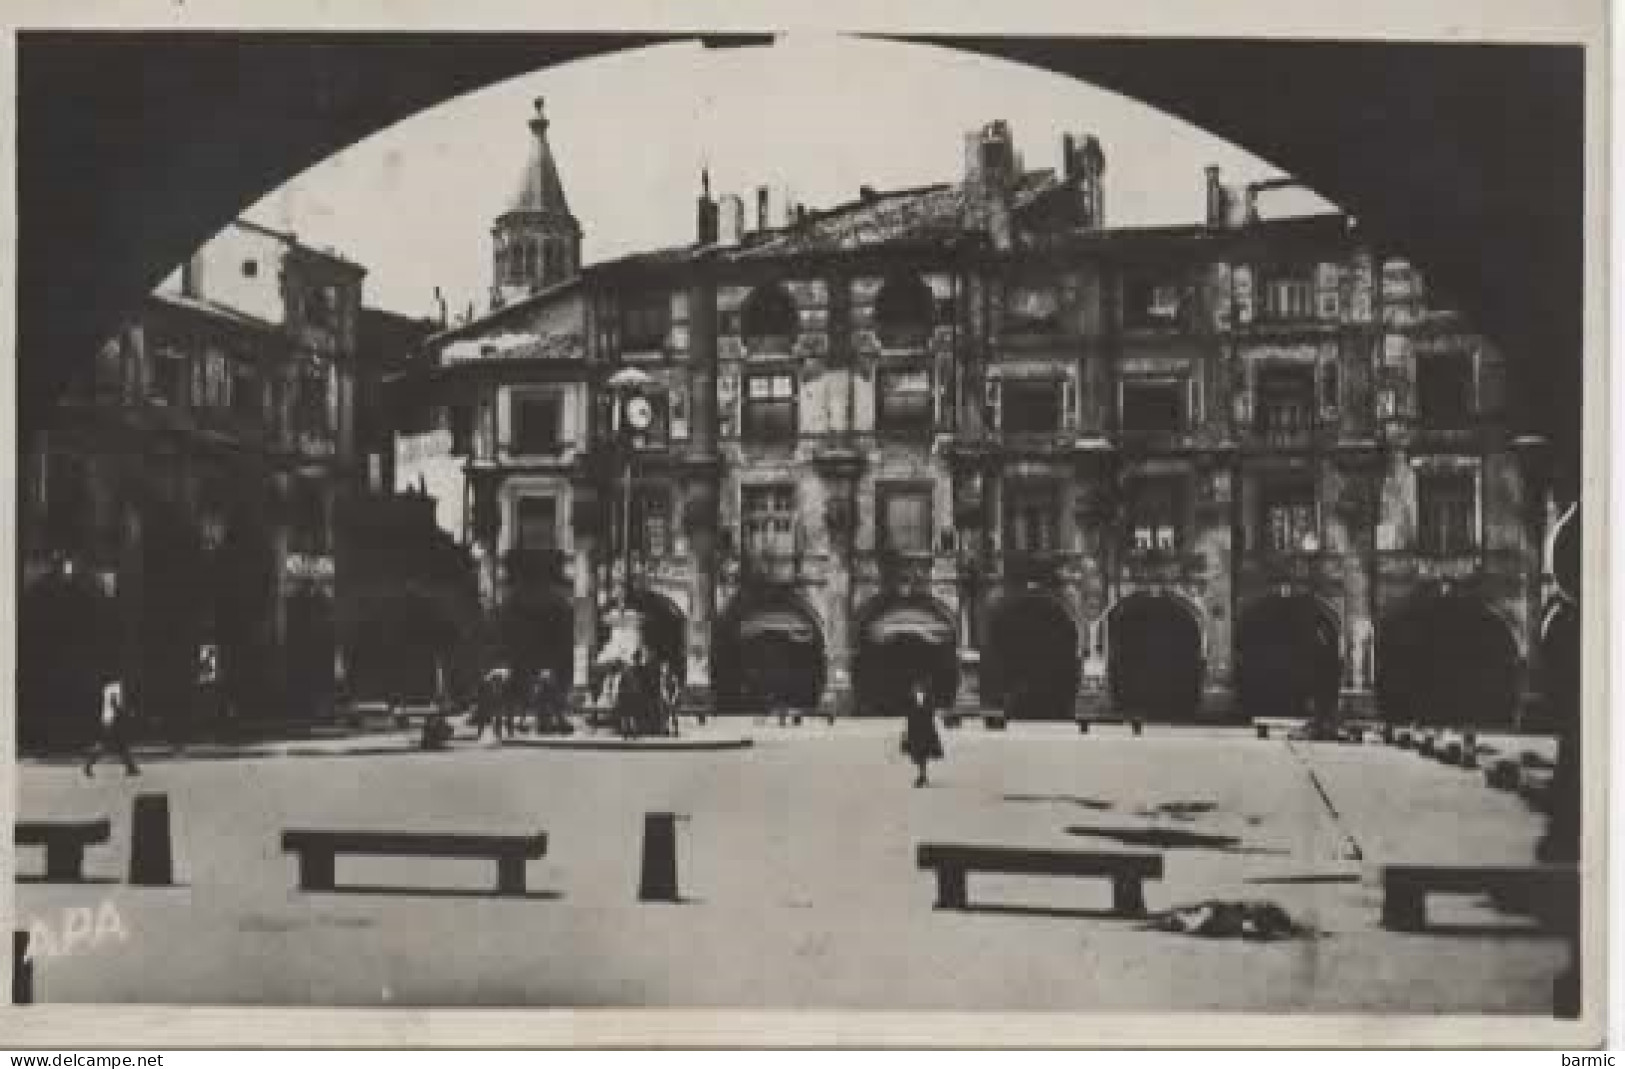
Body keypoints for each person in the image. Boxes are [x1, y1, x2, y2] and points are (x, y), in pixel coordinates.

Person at [84, 676, 140, 777]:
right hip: (113, 720)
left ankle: (131, 768)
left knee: (121, 744)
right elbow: (114, 704)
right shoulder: (116, 688)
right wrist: (126, 713)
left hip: (109, 719)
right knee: (106, 744)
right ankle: (88, 765)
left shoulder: (109, 687)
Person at [902, 678, 944, 788]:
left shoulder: (928, 699)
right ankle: (922, 775)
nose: (917, 690)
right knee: (918, 754)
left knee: (922, 754)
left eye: (919, 688)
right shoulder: (911, 699)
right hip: (915, 730)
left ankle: (922, 776)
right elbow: (908, 715)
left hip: (925, 730)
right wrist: (906, 730)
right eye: (916, 688)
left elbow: (930, 712)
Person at [660, 662, 683, 738]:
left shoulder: (673, 677)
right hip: (665, 699)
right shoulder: (662, 678)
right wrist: (665, 698)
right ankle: (666, 730)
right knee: (665, 715)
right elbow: (662, 689)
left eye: (665, 668)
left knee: (674, 715)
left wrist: (674, 698)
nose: (664, 670)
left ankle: (675, 730)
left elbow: (677, 688)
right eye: (663, 668)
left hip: (673, 698)